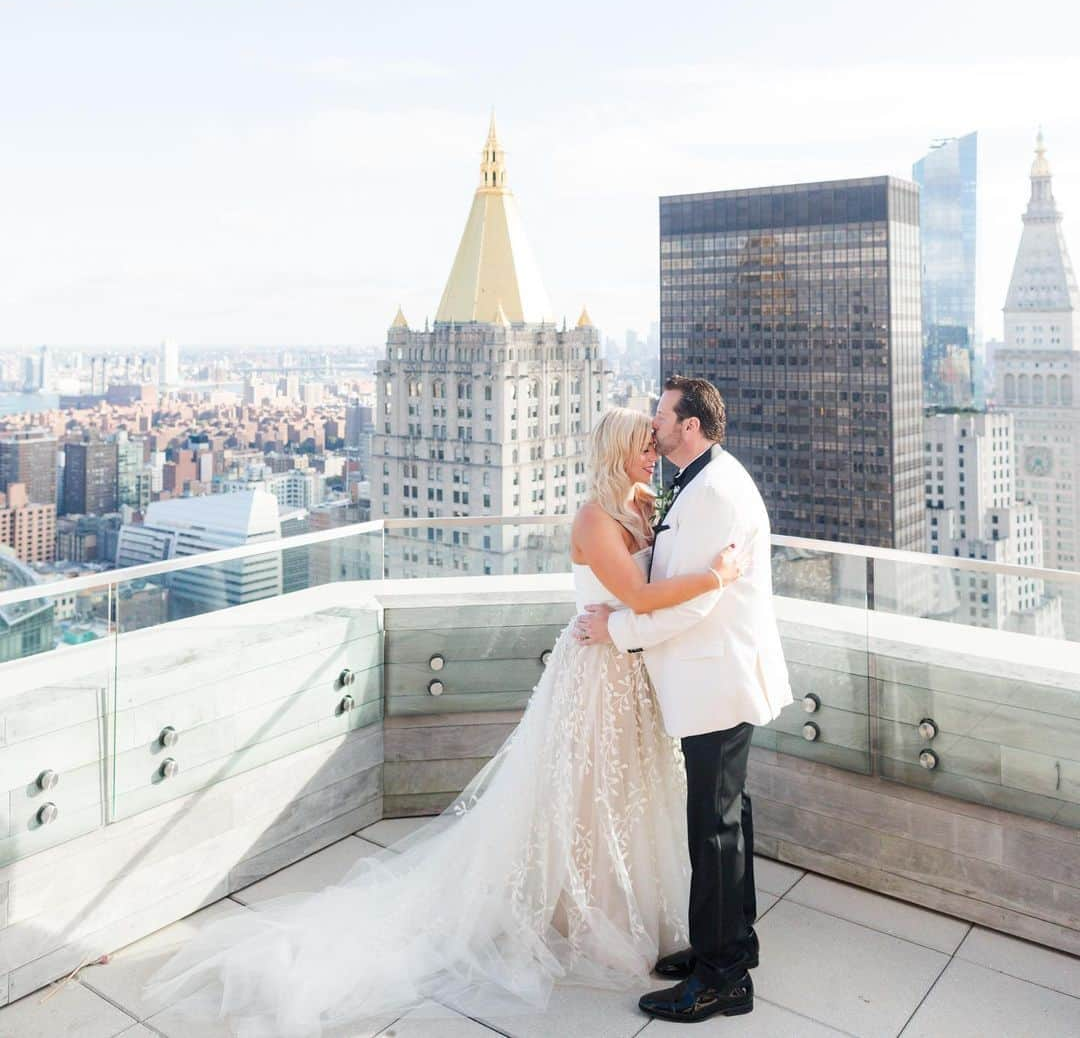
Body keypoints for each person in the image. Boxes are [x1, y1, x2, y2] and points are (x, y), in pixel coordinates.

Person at [144, 406, 740, 1037]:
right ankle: (579, 909)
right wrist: (716, 576)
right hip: (595, 676)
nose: (654, 453)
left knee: (627, 793)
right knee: (579, 793)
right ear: (617, 449)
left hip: (631, 673)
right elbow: (643, 595)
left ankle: (625, 907)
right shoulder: (594, 519)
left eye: (655, 443)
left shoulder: (643, 504)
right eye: (644, 445)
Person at [576, 376, 793, 1022]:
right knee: (725, 818)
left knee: (715, 828)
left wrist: (613, 630)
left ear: (690, 426)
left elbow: (696, 598)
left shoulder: (713, 493)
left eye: (663, 415)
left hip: (718, 680)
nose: (655, 423)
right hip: (714, 679)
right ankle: (729, 946)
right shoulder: (701, 483)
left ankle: (721, 977)